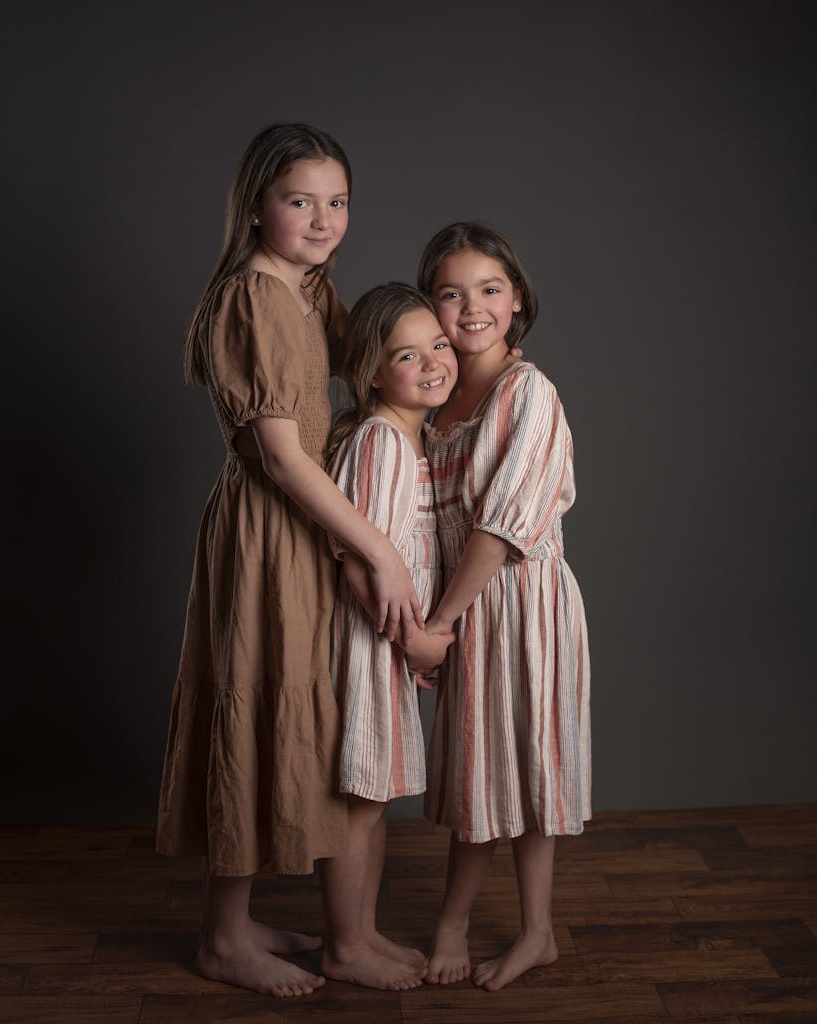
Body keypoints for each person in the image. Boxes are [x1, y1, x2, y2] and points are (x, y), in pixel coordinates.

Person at [156, 124, 423, 998]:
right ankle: (221, 941)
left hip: (305, 528)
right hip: (271, 530)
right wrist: (379, 549)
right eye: (299, 201)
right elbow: (280, 457)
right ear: (256, 207)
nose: (321, 220)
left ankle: (238, 923)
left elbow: (376, 363)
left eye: (336, 202)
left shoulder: (309, 290)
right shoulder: (255, 296)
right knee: (255, 702)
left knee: (288, 710)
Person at [416, 222, 591, 990]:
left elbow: (499, 529)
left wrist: (438, 623)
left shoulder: (528, 392)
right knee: (476, 774)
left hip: (522, 602)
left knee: (528, 766)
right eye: (450, 294)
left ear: (516, 298)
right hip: (465, 608)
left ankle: (534, 931)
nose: (472, 308)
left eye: (488, 289)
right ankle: (454, 922)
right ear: (429, 305)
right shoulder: (436, 399)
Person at [320, 283, 457, 989]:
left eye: (439, 345)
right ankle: (344, 946)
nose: (433, 363)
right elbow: (357, 560)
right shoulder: (379, 442)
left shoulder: (410, 439)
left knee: (372, 803)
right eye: (408, 355)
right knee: (359, 803)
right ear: (373, 373)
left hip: (388, 648)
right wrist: (412, 644)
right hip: (366, 647)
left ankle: (362, 931)